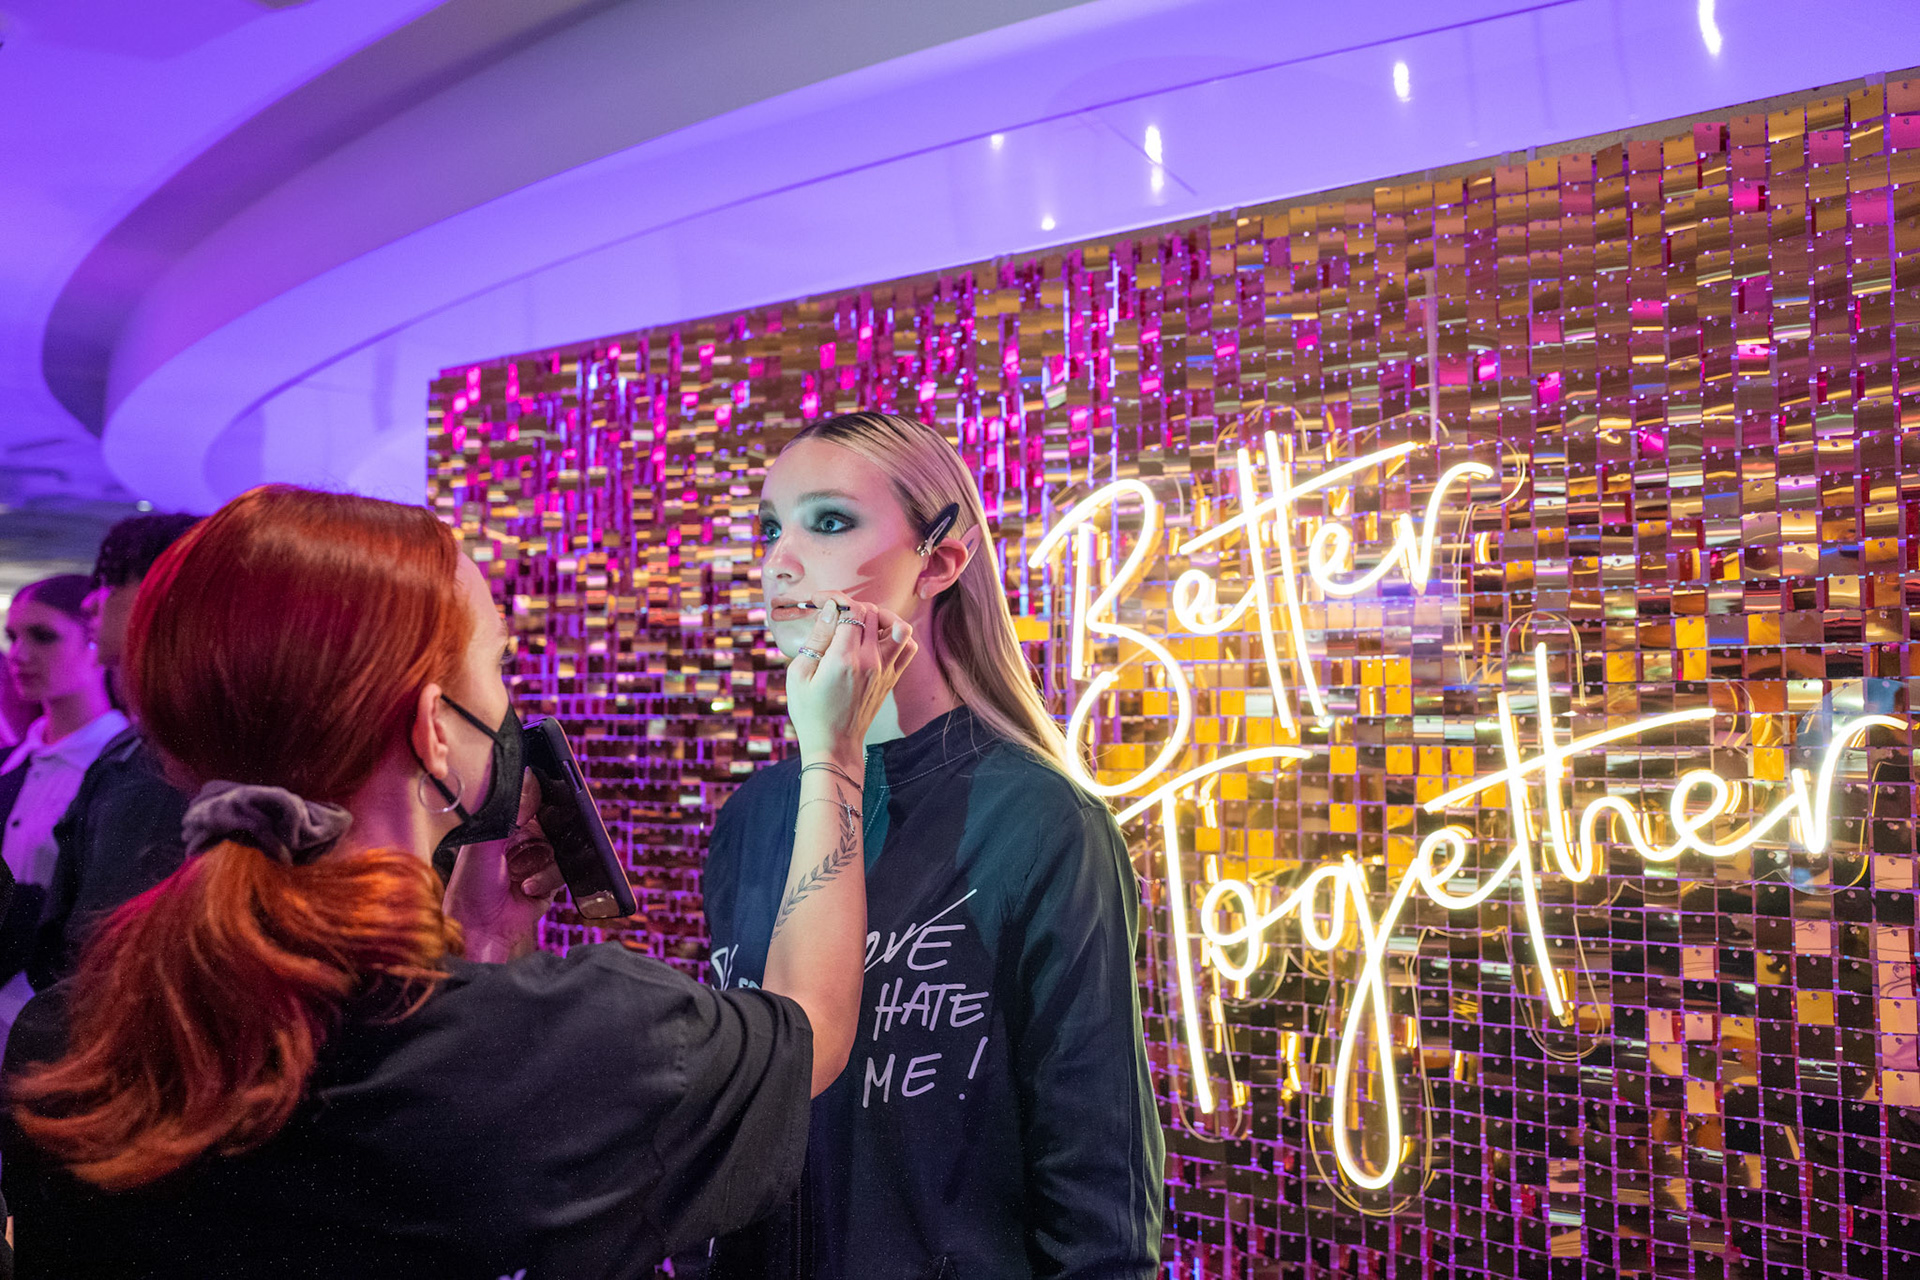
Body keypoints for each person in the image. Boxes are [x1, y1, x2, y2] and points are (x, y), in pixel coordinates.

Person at [2, 484, 916, 1279]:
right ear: (436, 729)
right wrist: (833, 751)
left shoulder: (69, 1039)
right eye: (499, 665)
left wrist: (487, 941)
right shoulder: (587, 1039)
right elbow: (813, 1030)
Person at [695, 413, 1164, 1279]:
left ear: (940, 560)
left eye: (828, 522)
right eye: (769, 527)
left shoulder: (1041, 822)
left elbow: (1096, 1173)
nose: (779, 561)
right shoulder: (753, 819)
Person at [26, 513, 201, 990]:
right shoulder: (137, 741)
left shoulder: (178, 749)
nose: (90, 600)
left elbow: (104, 947)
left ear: (161, 589)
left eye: (113, 579)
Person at [0, 577, 125, 1052]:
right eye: (13, 637)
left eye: (43, 635)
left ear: (96, 636)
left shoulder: (123, 769)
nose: (19, 654)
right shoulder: (11, 763)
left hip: (59, 1037)